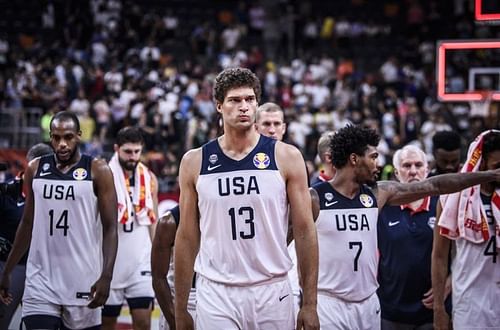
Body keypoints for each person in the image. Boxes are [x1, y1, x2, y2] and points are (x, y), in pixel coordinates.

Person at [309, 125, 500, 329]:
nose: (378, 164)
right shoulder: (314, 197)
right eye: (373, 157)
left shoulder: (378, 193)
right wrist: (306, 304)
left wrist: (488, 175)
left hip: (367, 303)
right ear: (354, 159)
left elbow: (435, 186)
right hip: (329, 302)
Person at [174, 67, 319, 330]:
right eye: (235, 100)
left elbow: (305, 230)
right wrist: (180, 306)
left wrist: (310, 304)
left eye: (250, 100)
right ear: (219, 106)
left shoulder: (287, 157)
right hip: (217, 291)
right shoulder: (194, 161)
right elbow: (186, 235)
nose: (244, 107)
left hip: (272, 289)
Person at [0, 111, 118, 329]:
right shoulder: (35, 168)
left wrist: (107, 276)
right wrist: (8, 270)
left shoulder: (98, 170)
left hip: (83, 278)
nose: (62, 143)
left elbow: (111, 228)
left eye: (68, 137)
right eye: (56, 137)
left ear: (79, 136)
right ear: (50, 137)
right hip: (40, 280)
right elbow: (27, 224)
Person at [432, 130, 500, 330]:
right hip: (471, 304)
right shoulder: (452, 198)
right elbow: (439, 256)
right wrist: (438, 308)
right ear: (482, 164)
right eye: (497, 167)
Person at [377, 144, 448, 329]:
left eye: (418, 165)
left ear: (427, 169)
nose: (413, 171)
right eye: (407, 166)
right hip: (391, 311)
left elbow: (460, 252)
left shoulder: (442, 205)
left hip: (431, 311)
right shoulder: (383, 208)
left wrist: (450, 282)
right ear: (396, 173)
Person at [103, 126, 158, 330]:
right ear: (117, 149)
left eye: (137, 151)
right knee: (107, 324)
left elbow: (153, 220)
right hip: (110, 262)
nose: (132, 157)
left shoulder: (150, 178)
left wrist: (157, 253)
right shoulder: (103, 176)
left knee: (144, 322)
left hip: (140, 262)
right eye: (127, 151)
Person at [0, 143, 53, 329]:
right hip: (12, 266)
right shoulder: (6, 193)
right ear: (26, 165)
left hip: (45, 268)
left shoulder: (59, 197)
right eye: (35, 168)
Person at [151, 205, 197, 330]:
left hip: (214, 298)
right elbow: (158, 278)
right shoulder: (168, 222)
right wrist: (174, 319)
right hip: (179, 300)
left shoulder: (219, 217)